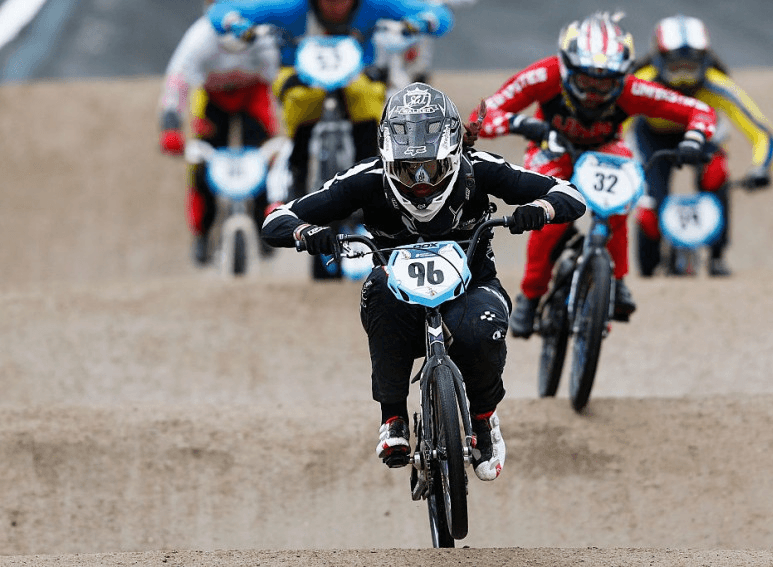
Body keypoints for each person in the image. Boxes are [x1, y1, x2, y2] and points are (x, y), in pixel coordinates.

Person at [261, 83, 587, 480]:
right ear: (386, 159)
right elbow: (277, 218)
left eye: (430, 168)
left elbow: (568, 192)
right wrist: (307, 233)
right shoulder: (365, 177)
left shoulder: (479, 167)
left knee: (481, 329)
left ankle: (484, 419)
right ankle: (393, 417)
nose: (419, 182)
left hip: (473, 286)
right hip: (398, 293)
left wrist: (539, 209)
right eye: (405, 169)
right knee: (376, 289)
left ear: (450, 157)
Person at [471, 12, 717, 337]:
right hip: (552, 149)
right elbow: (482, 115)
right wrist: (522, 123)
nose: (594, 93)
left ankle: (616, 281)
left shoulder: (633, 89)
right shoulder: (544, 75)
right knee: (549, 221)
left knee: (620, 204)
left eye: (605, 83)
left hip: (605, 149)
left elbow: (699, 111)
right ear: (566, 68)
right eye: (586, 81)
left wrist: (694, 138)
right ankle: (530, 295)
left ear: (622, 76)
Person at [206, 0, 454, 201]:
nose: (335, 5)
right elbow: (221, 10)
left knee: (367, 95)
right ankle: (298, 167)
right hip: (299, 74)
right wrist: (235, 23)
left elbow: (439, 14)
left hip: (357, 75)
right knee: (300, 97)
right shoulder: (290, 7)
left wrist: (422, 22)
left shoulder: (375, 5)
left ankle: (369, 167)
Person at [629, 14, 773, 277]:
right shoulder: (640, 83)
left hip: (702, 136)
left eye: (691, 66)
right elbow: (613, 125)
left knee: (716, 173)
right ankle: (649, 268)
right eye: (677, 67)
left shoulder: (718, 86)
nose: (684, 78)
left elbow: (760, 132)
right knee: (650, 209)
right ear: (659, 59)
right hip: (652, 137)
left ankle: (717, 255)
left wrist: (761, 168)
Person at [158, 7, 282, 265]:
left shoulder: (262, 36)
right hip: (213, 98)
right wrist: (170, 125)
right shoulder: (200, 38)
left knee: (264, 157)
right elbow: (177, 81)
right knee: (201, 163)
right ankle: (202, 232)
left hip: (253, 96)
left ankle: (265, 222)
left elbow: (280, 78)